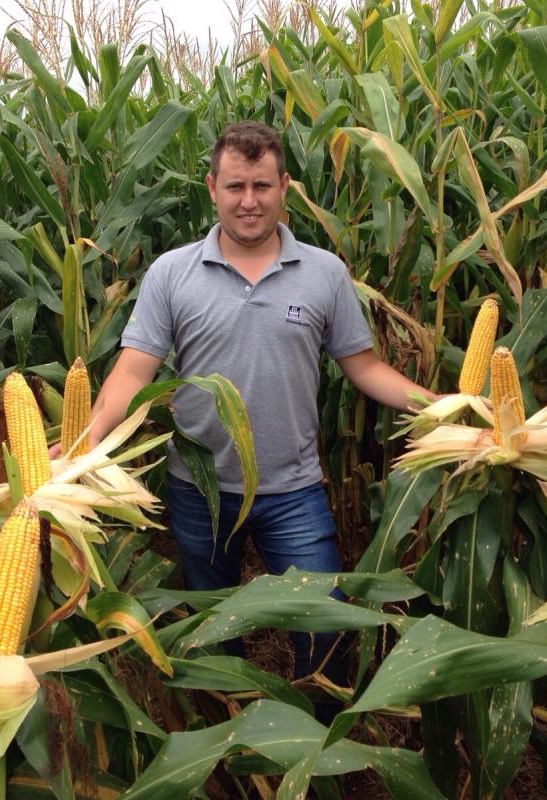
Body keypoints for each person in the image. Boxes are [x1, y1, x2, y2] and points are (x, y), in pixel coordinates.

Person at [82, 121, 438, 691]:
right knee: (210, 631)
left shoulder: (324, 272)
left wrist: (438, 405)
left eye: (262, 186)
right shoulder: (171, 273)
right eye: (235, 186)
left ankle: (317, 730)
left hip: (292, 488)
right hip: (200, 490)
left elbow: (365, 367)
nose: (249, 201)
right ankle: (225, 731)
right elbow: (132, 371)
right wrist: (88, 439)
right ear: (212, 188)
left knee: (326, 627)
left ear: (284, 187)